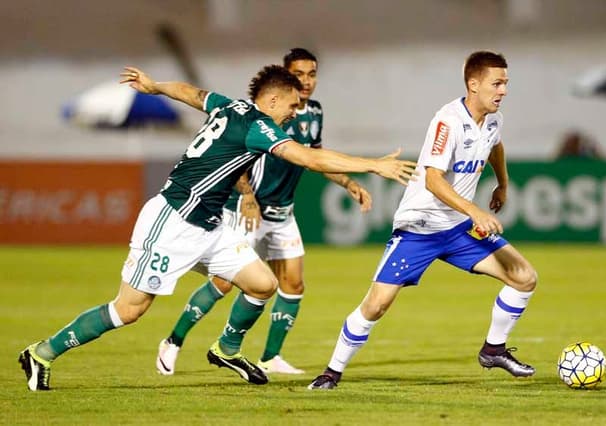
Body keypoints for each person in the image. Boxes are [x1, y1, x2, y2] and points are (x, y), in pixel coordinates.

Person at [18, 64, 417, 391]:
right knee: (129, 310)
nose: (295, 112)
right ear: (273, 98)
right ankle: (42, 352)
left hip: (211, 225)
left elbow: (191, 93)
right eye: (292, 105)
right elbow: (309, 159)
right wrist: (373, 164)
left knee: (262, 285)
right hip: (173, 221)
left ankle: (226, 348)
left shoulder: (230, 107)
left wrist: (155, 86)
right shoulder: (258, 126)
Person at [308, 51, 538, 390]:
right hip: (420, 228)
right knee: (377, 304)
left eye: (506, 83)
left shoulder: (493, 119)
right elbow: (433, 179)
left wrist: (502, 183)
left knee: (524, 277)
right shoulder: (447, 121)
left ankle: (493, 349)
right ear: (473, 84)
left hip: (457, 229)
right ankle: (331, 372)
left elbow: (495, 146)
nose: (503, 90)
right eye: (497, 83)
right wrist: (474, 211)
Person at [155, 48, 372, 377]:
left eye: (312, 74)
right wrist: (248, 196)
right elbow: (236, 154)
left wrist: (347, 183)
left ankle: (270, 356)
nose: (307, 81)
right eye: (299, 74)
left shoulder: (313, 112)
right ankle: (174, 340)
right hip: (250, 209)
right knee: (225, 283)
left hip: (283, 213)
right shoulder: (259, 115)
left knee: (293, 285)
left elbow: (316, 156)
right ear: (285, 77)